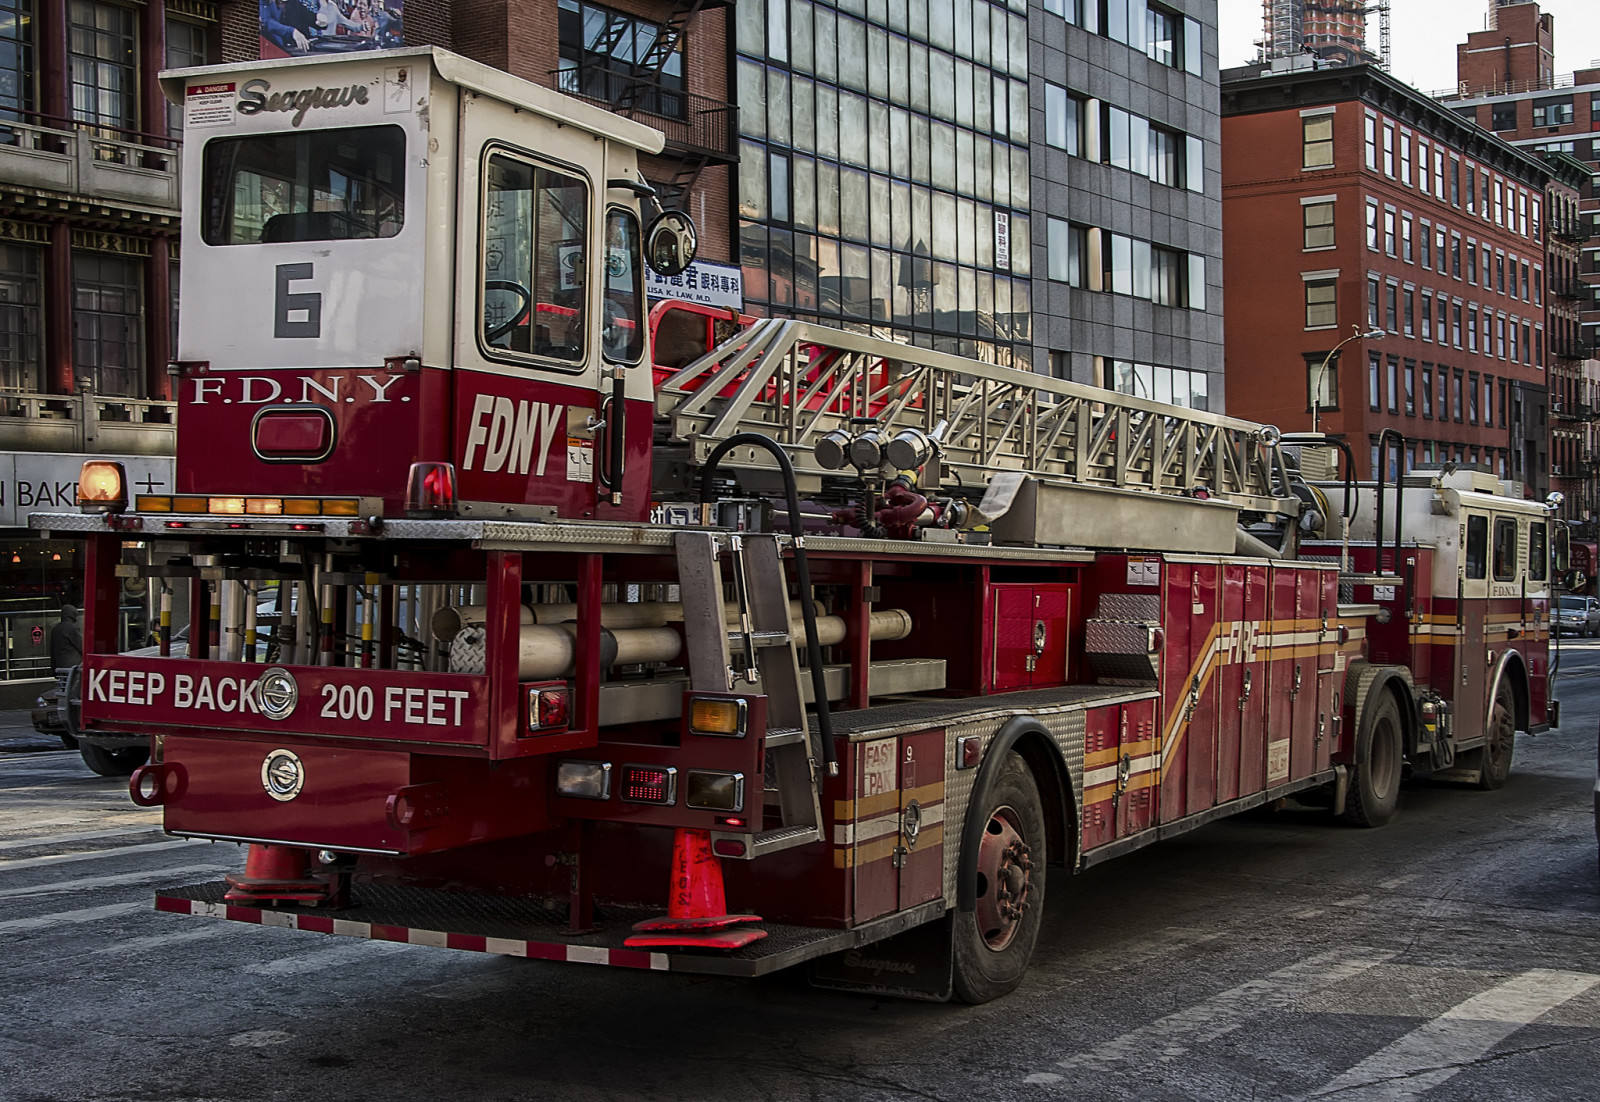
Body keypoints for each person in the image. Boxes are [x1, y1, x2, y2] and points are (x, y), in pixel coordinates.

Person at [49, 604, 83, 673]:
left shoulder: (55, 629)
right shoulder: (71, 628)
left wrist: (53, 669)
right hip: (73, 669)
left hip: (60, 668)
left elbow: (52, 650)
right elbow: (82, 646)